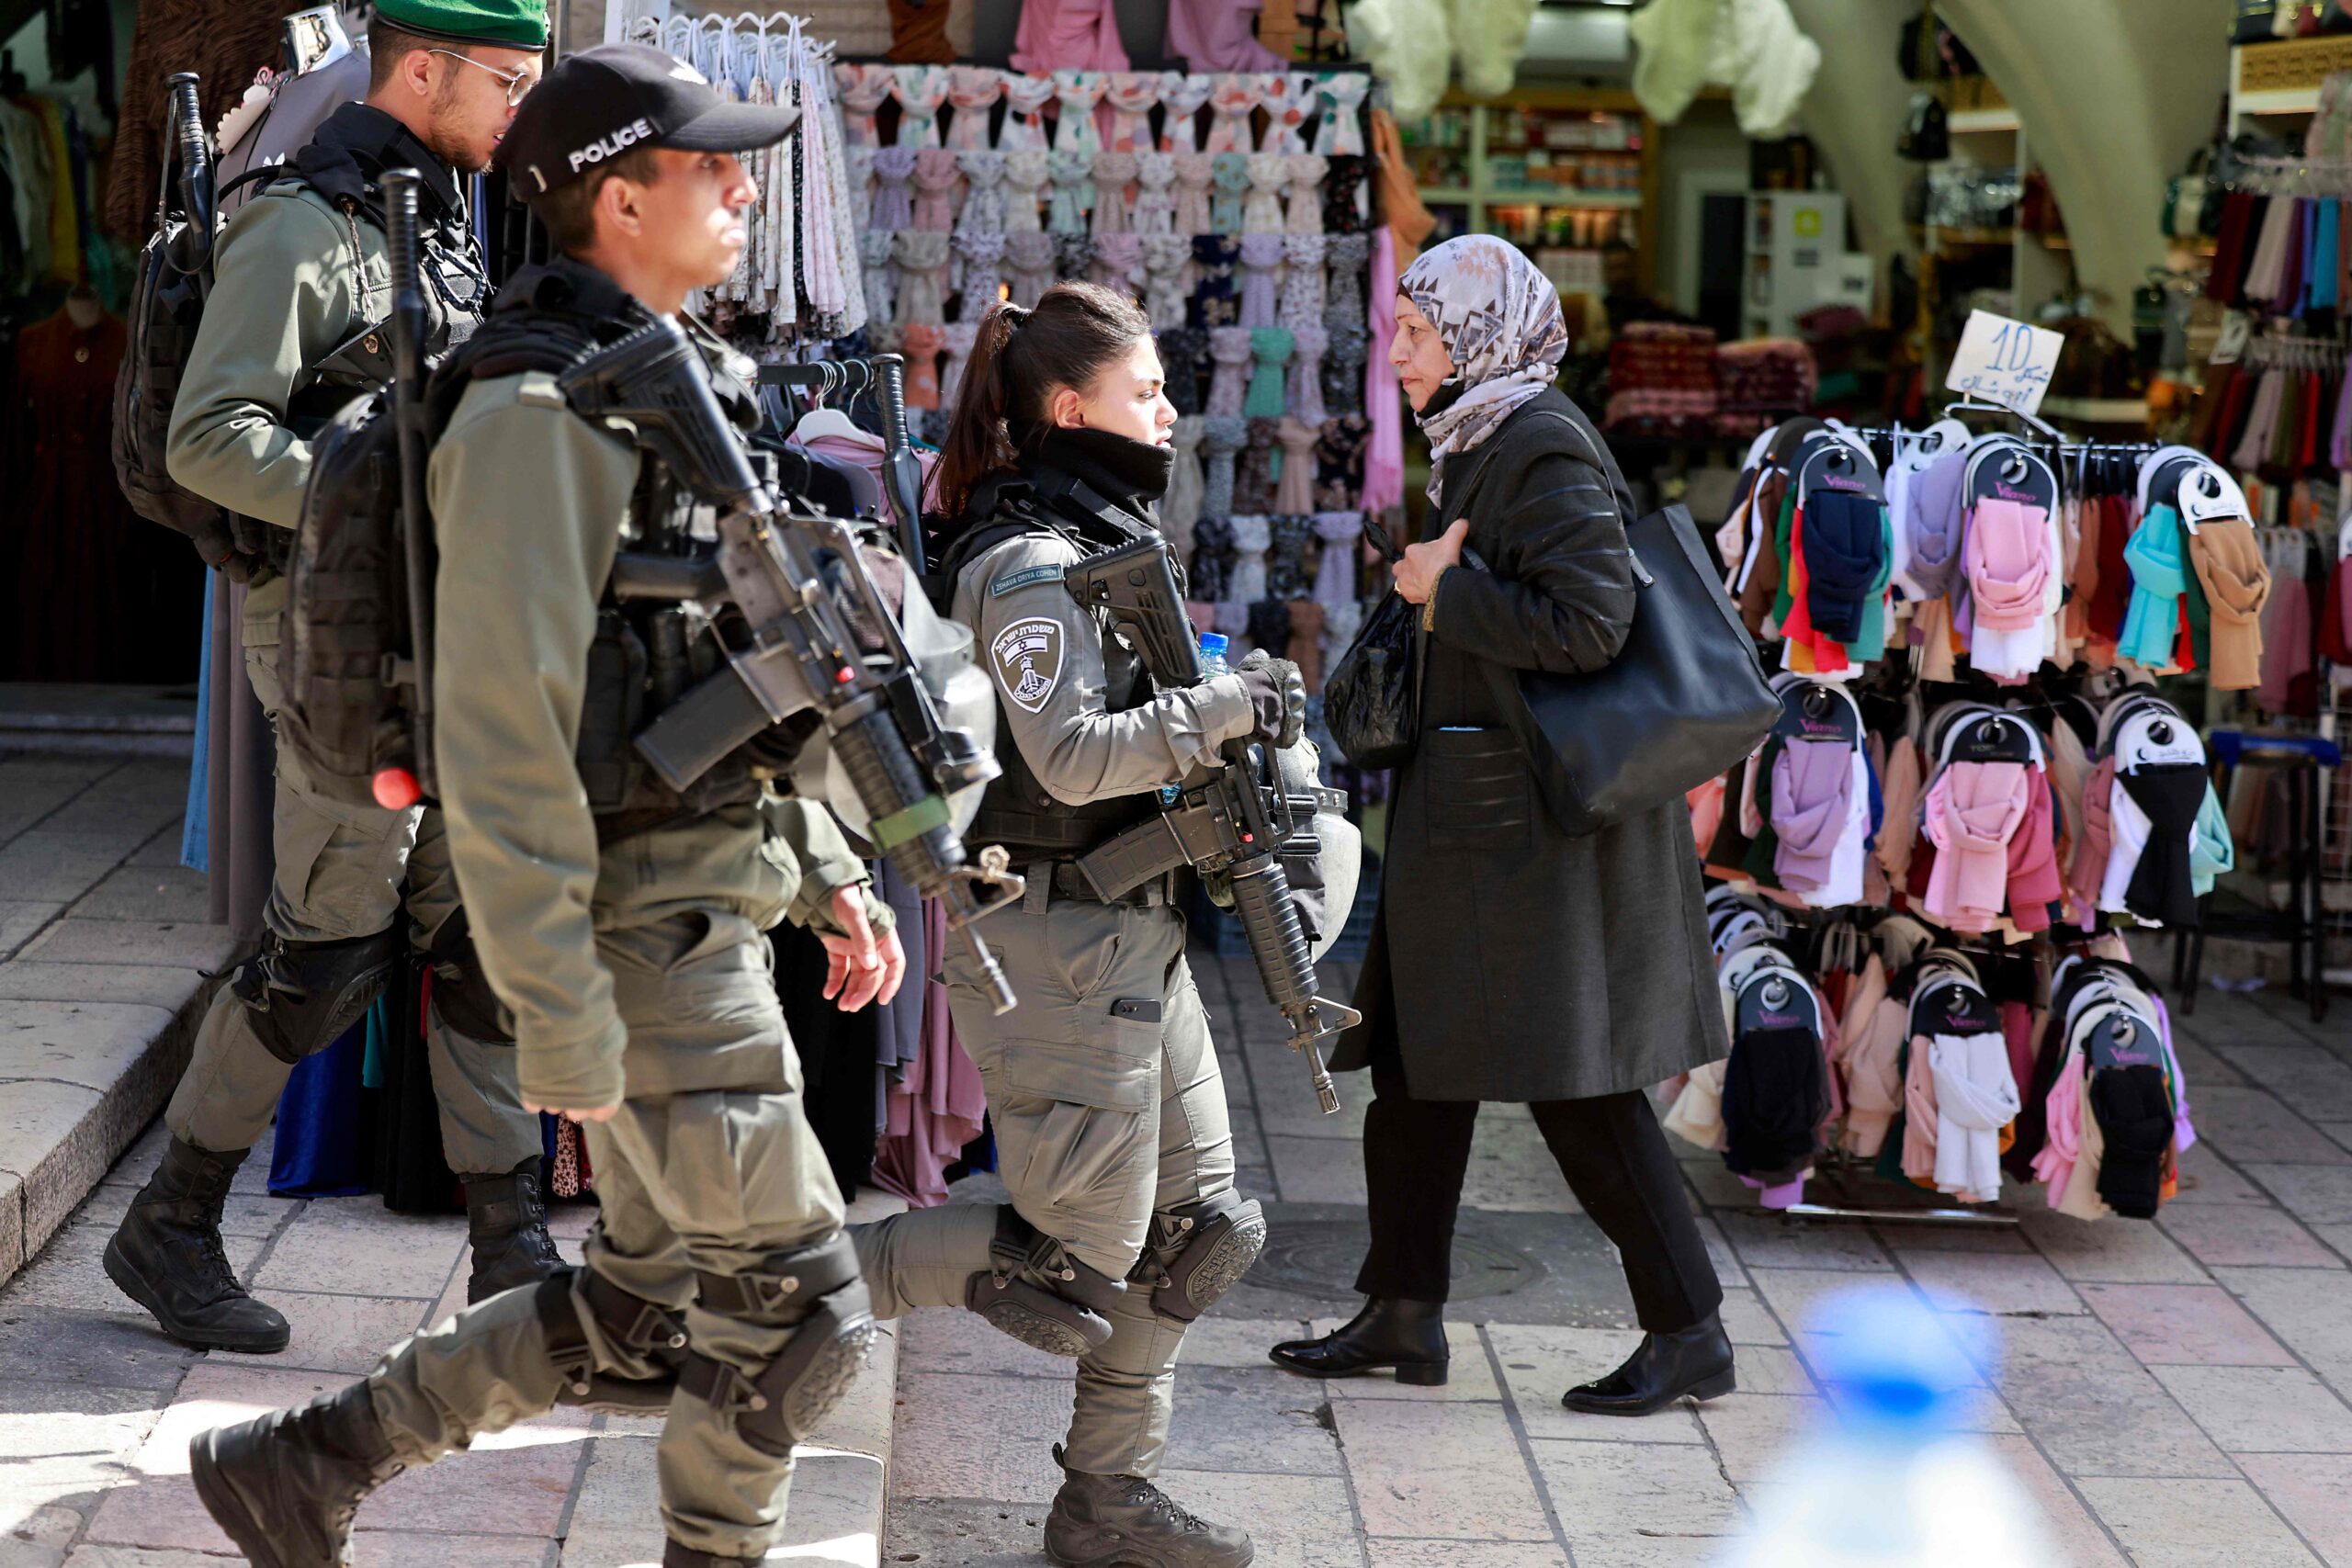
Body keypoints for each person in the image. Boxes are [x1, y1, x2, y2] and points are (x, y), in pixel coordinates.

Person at [183, 44, 911, 1568]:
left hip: (701, 904)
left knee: (644, 1309)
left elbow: (719, 675)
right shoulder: (537, 410)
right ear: (620, 199)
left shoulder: (664, 385)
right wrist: (559, 1018)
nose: (746, 188)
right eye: (714, 166)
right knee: (795, 1318)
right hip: (635, 936)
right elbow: (506, 736)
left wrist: (826, 864)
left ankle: (308, 1463)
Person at [106, 0, 561, 1355]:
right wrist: (391, 497)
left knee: (475, 930)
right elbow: (210, 434)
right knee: (330, 944)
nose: (520, 113)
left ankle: (512, 1246)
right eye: (506, 82)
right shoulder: (302, 225)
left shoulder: (433, 219)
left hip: (438, 622)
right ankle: (171, 1223)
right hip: (328, 627)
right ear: (422, 66)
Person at [848, 283, 1304, 1568]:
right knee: (1065, 1256)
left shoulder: (1093, 533)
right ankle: (776, 1296)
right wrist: (1218, 709)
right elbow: (1069, 756)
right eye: (1144, 387)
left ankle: (1107, 1494)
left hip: (1126, 925)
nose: (1166, 406)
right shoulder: (1028, 559)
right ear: (1068, 405)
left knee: (1200, 1225)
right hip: (1049, 930)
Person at [1268, 234, 1736, 1416]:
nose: (1399, 358)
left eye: (1417, 337)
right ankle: (1403, 1313)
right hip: (1485, 824)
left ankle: (1690, 1330)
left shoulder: (1540, 445)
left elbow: (1590, 624)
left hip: (1539, 840)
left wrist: (1441, 590)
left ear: (1477, 337)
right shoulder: (1484, 440)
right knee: (1418, 1075)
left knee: (1581, 1094)